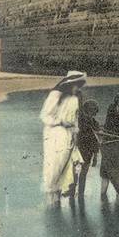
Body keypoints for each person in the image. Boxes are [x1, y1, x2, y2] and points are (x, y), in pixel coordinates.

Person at [40, 70, 86, 207]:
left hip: (69, 136)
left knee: (66, 169)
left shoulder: (76, 97)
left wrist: (75, 132)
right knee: (53, 167)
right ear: (70, 84)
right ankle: (51, 201)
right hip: (54, 134)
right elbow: (45, 116)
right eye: (76, 85)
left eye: (79, 85)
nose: (78, 88)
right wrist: (60, 122)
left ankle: (57, 200)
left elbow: (76, 118)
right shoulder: (55, 95)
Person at [77, 99, 101, 198]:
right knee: (82, 172)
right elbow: (94, 139)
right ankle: (80, 193)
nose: (93, 114)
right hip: (84, 150)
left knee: (81, 172)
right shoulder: (85, 122)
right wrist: (95, 156)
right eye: (93, 112)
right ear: (89, 111)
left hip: (85, 150)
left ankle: (79, 193)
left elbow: (96, 129)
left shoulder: (87, 120)